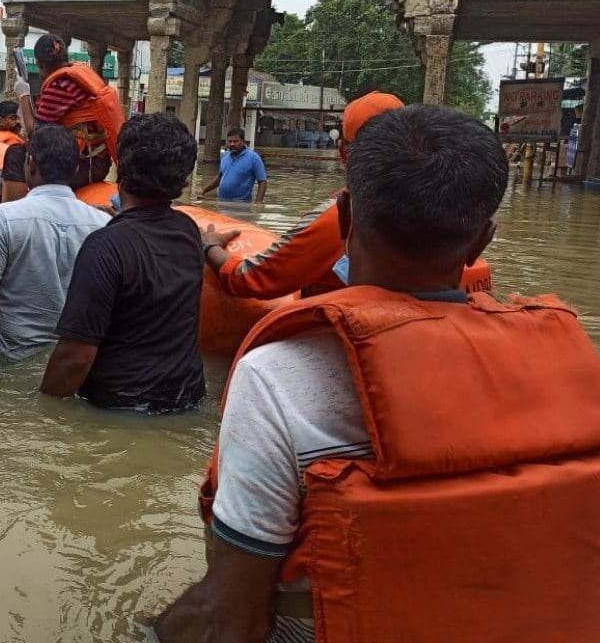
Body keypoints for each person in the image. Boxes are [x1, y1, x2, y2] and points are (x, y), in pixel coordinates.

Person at [153, 105, 600, 643]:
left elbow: (226, 630)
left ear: (347, 215)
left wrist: (139, 636)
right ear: (482, 241)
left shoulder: (278, 376)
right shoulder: (582, 381)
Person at [40, 113, 204, 413]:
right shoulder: (189, 231)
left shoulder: (103, 248)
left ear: (121, 168)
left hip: (117, 407)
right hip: (186, 399)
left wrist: (41, 409)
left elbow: (74, 357)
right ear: (182, 178)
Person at [203, 91, 403, 299]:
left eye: (235, 141)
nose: (232, 144)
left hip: (340, 321)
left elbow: (252, 278)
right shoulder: (432, 210)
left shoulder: (340, 216)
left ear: (343, 151)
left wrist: (209, 246)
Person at [0, 125, 110, 361]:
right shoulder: (103, 223)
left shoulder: (4, 217)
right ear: (76, 169)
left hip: (11, 356)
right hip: (74, 361)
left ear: (31, 163)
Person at [2, 34, 125, 202]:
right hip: (97, 161)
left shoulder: (59, 86)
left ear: (40, 64)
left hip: (84, 166)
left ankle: (13, 216)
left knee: (15, 154)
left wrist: (23, 95)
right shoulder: (81, 72)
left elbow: (35, 133)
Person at [198, 127, 267, 203]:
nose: (232, 144)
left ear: (243, 141)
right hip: (221, 201)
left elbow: (262, 181)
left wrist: (258, 203)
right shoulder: (225, 156)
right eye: (230, 141)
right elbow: (220, 177)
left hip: (241, 204)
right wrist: (204, 190)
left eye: (235, 141)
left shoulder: (253, 158)